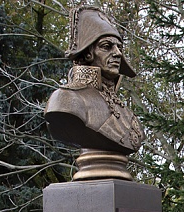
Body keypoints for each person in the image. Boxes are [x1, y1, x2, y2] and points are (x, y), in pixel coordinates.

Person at [45, 6, 145, 180]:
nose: (117, 54)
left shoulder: (126, 112)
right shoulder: (66, 99)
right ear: (89, 53)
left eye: (119, 47)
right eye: (107, 47)